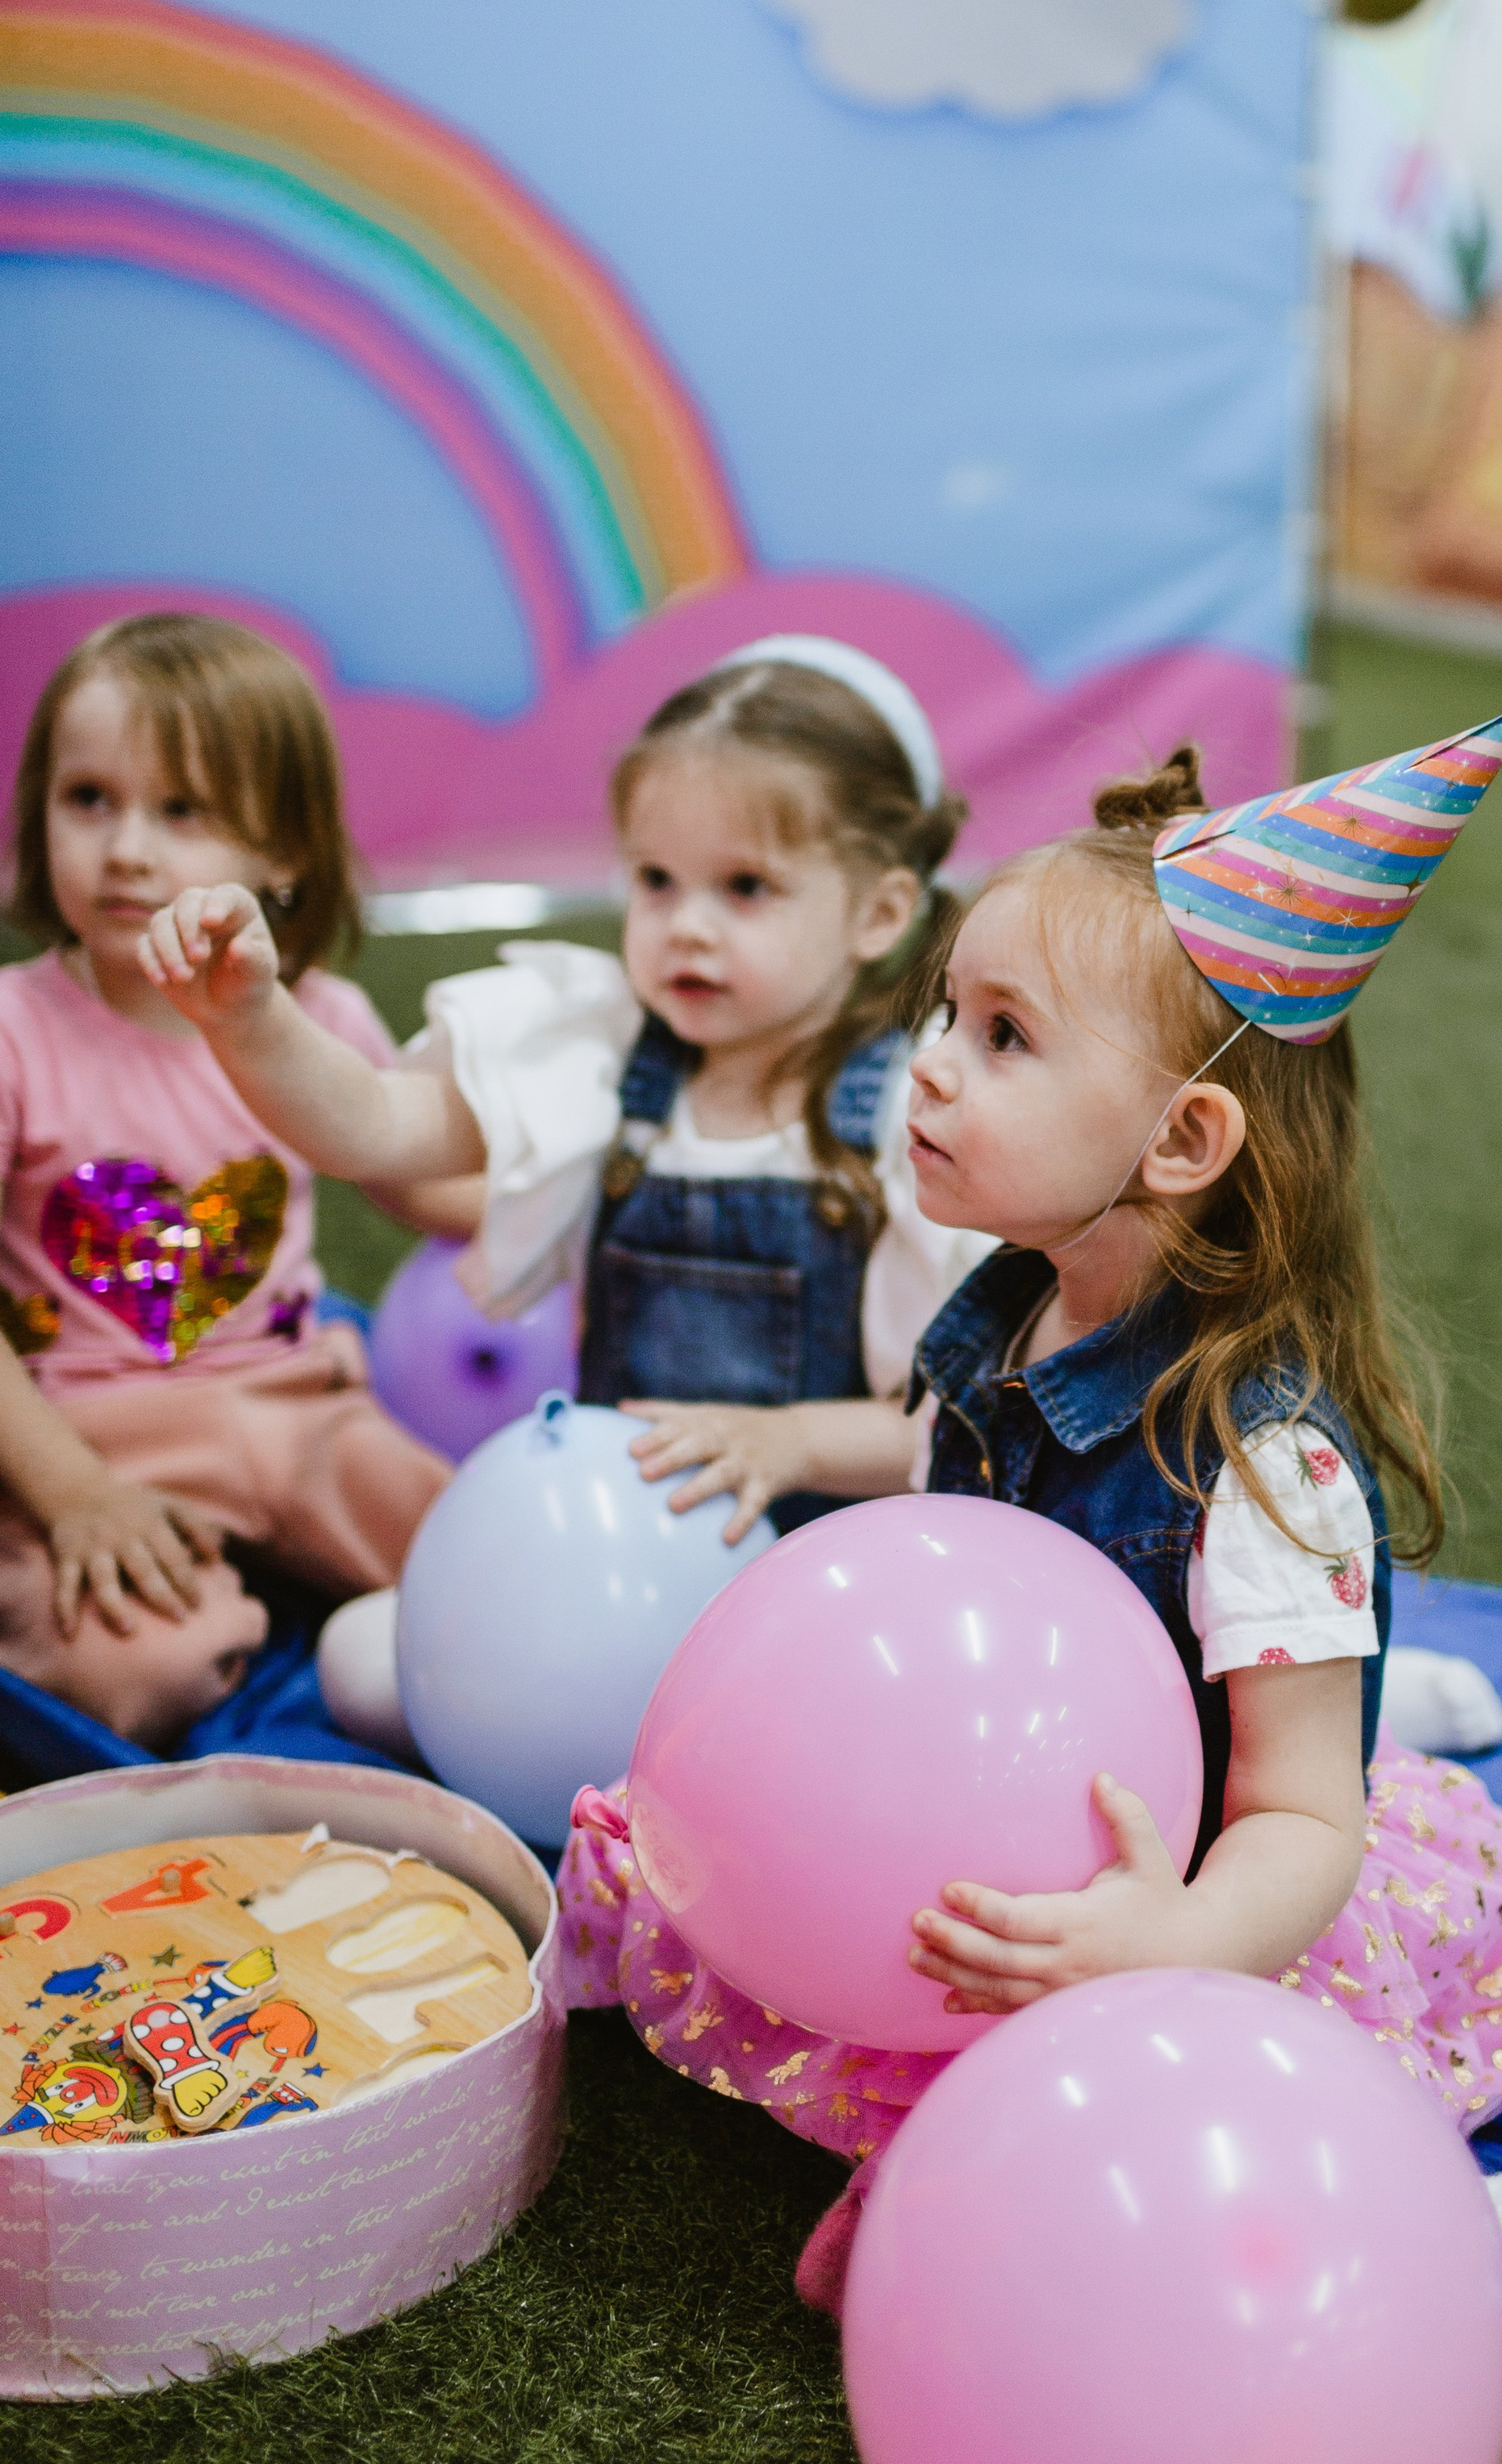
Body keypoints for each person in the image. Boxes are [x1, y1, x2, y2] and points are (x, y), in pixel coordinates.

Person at [556, 713, 1502, 2464]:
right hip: (1021, 1852)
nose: (922, 1068)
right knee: (732, 1916)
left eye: (997, 1038)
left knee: (1209, 2107)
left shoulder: (1269, 1469)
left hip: (1206, 1894)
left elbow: (1300, 1812)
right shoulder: (1006, 1308)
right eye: (938, 1014)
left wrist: (1177, 1942)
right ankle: (960, 2182)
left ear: (1180, 1138)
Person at [137, 640, 991, 1748]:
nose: (686, 924)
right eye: (656, 880)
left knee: (851, 1732)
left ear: (879, 914)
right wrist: (250, 1020)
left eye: (746, 887)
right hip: (615, 1580)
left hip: (823, 1598)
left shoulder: (902, 1116)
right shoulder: (598, 1061)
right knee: (360, 1661)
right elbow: (372, 1127)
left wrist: (785, 1444)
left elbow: (949, 1434)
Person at [0, 615, 463, 1749]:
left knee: (475, 1559)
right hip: (81, 1429)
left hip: (295, 1406)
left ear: (284, 856)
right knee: (150, 1666)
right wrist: (74, 1499)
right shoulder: (16, 1030)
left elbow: (419, 1186)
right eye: (90, 799)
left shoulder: (318, 1018)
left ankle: (324, 1629)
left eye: (184, 811)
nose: (127, 851)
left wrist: (590, 1208)